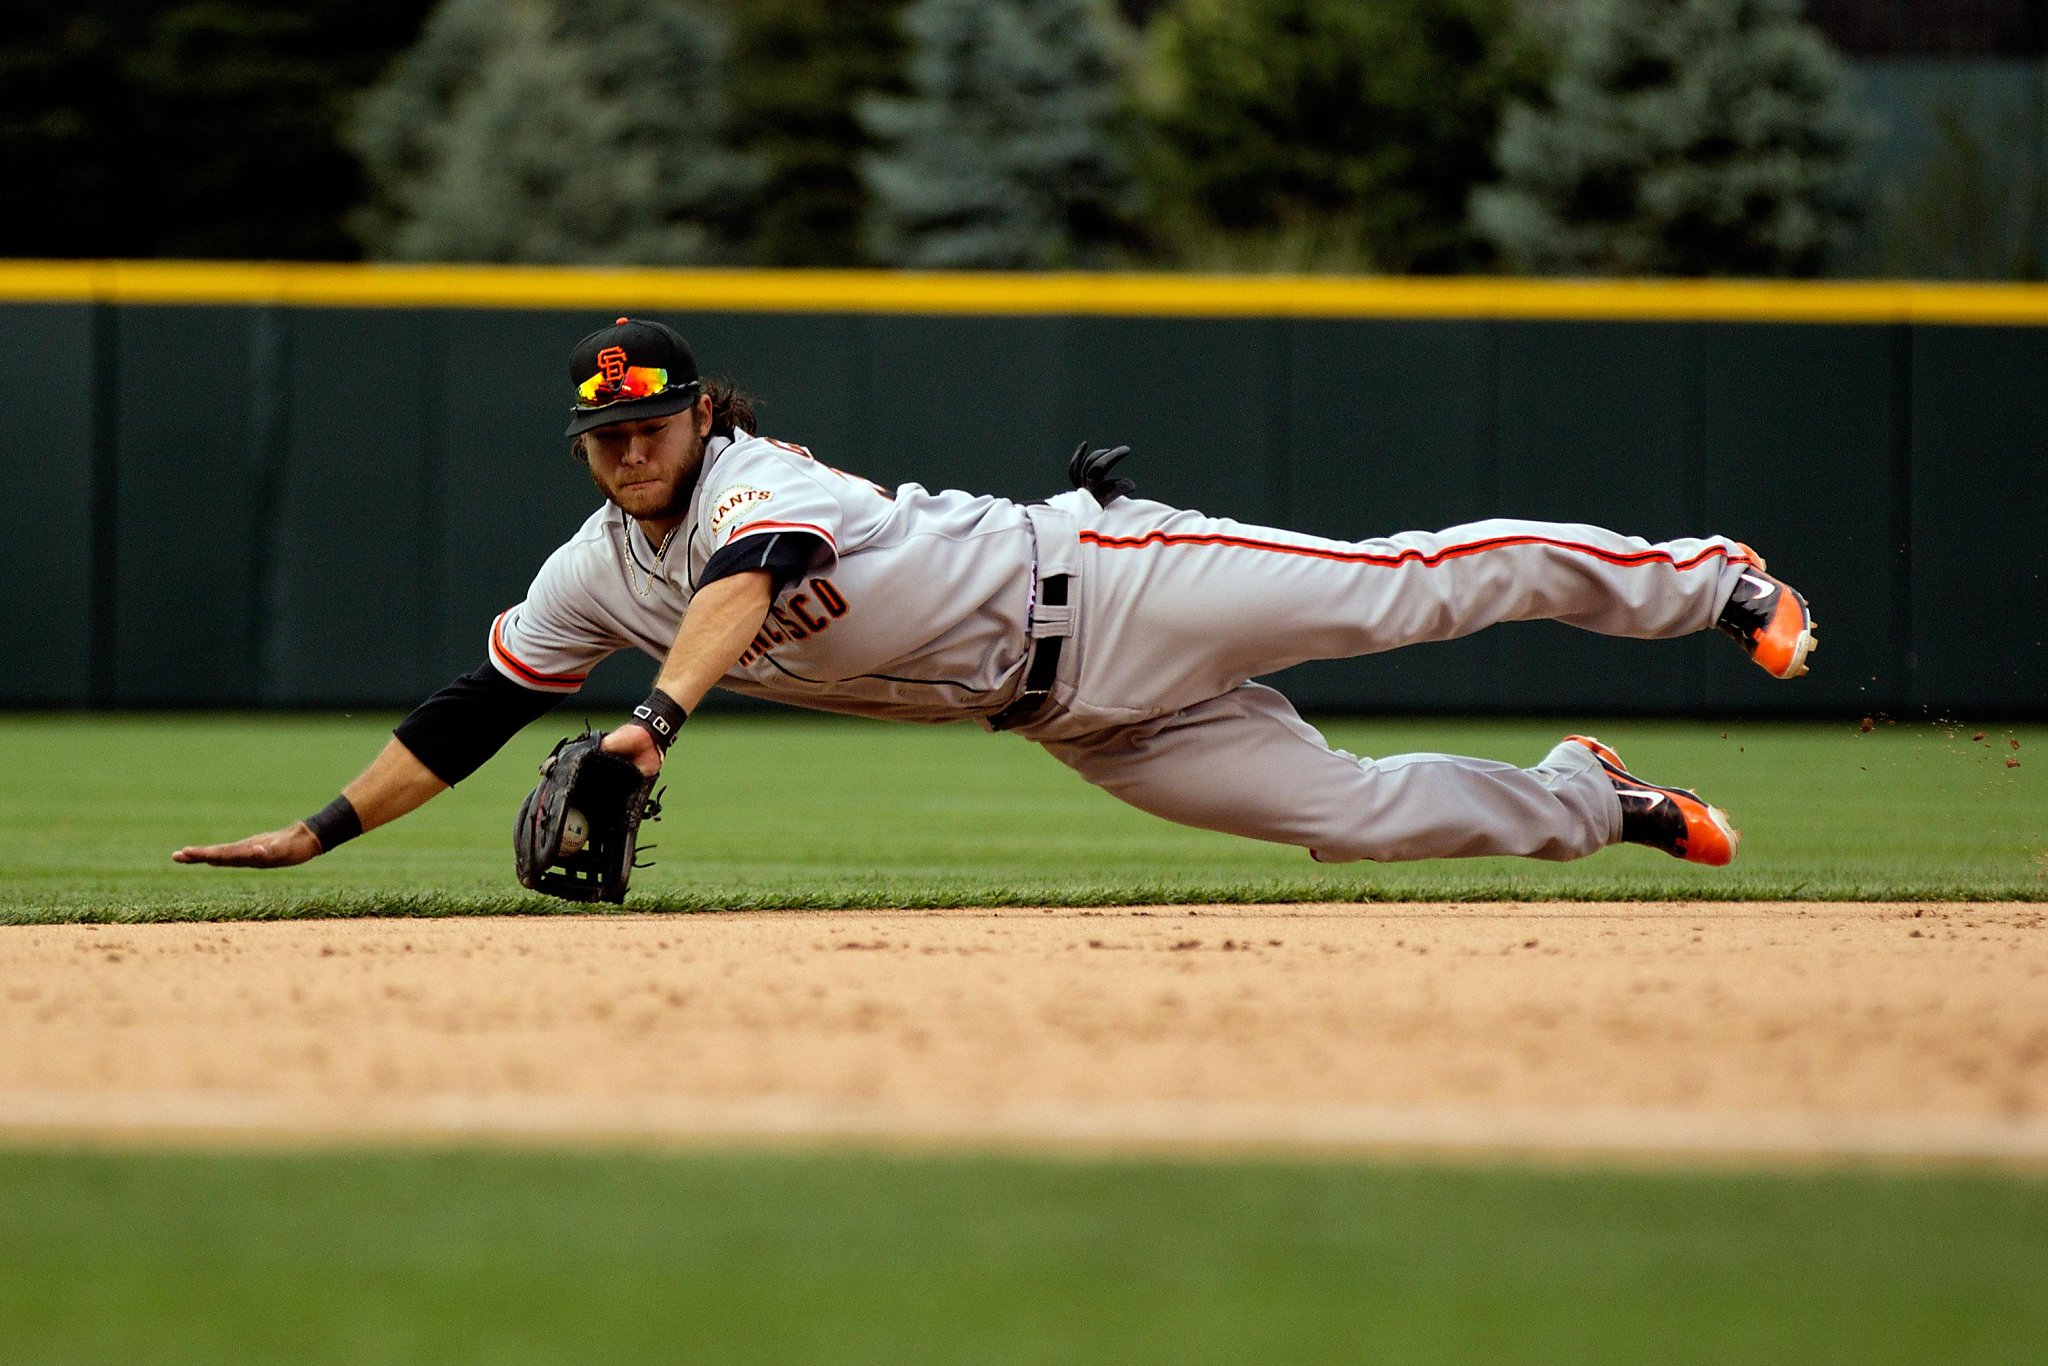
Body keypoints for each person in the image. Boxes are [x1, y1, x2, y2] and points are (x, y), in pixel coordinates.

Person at [175, 317, 1816, 877]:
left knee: (1400, 596)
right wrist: (317, 831)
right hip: (1077, 716)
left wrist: (658, 722)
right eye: (601, 431)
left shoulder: (761, 480)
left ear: (700, 415)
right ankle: (1593, 802)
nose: (626, 449)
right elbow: (480, 707)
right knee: (1359, 815)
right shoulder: (594, 568)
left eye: (650, 420)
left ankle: (1713, 583)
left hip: (1109, 583)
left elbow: (748, 588)